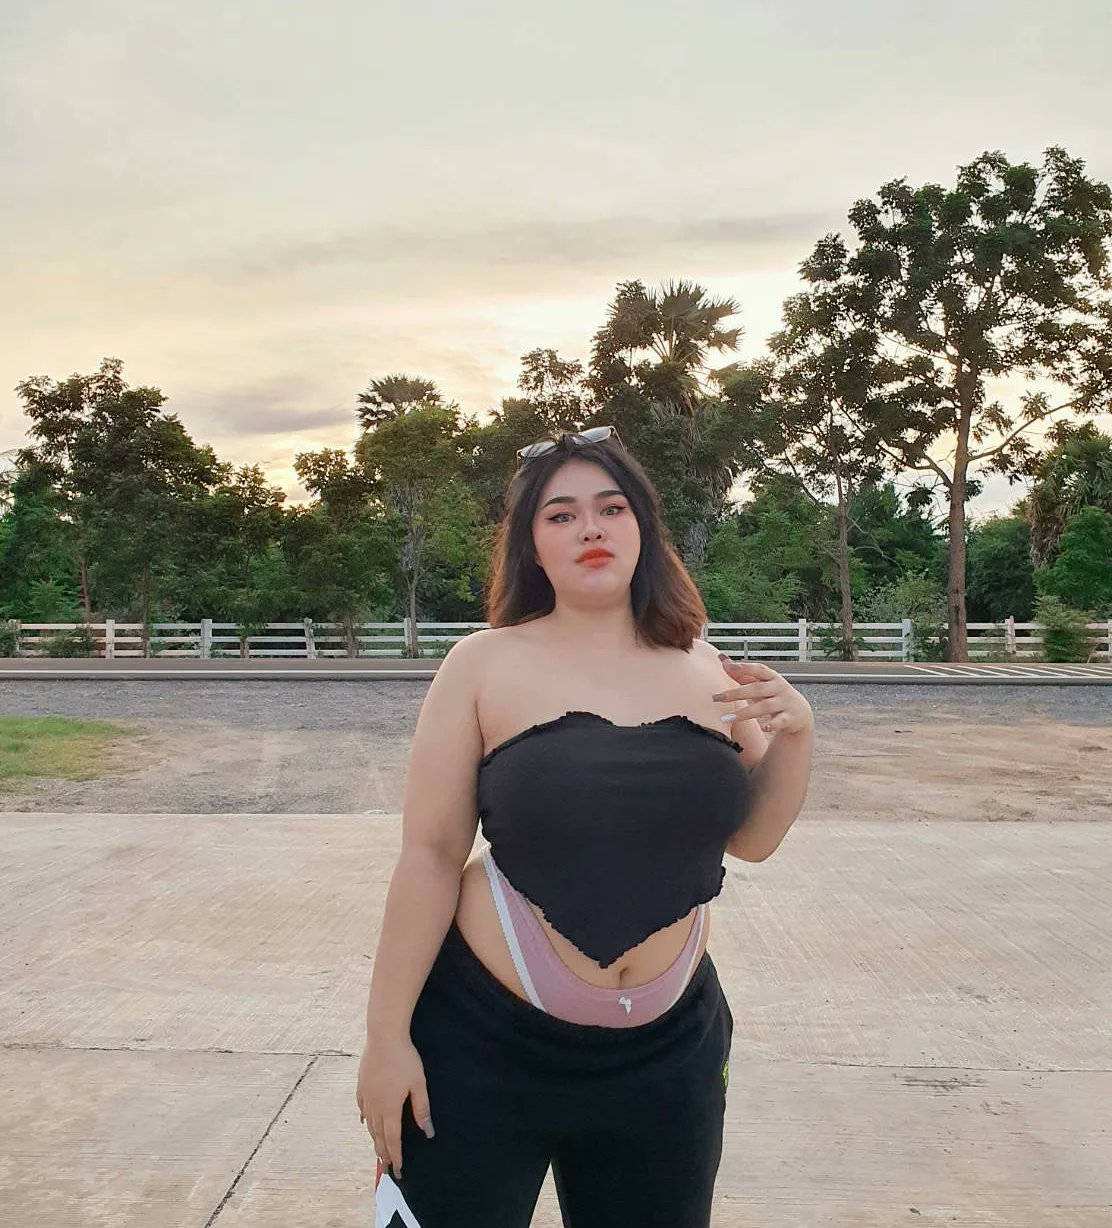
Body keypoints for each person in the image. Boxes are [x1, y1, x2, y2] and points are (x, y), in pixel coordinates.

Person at [355, 426, 815, 1227]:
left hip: (668, 1056)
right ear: (532, 546)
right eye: (561, 515)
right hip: (483, 1046)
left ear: (642, 526)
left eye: (611, 508)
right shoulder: (482, 664)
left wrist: (798, 733)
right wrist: (386, 1039)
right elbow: (430, 856)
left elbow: (753, 840)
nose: (590, 528)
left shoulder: (707, 667)